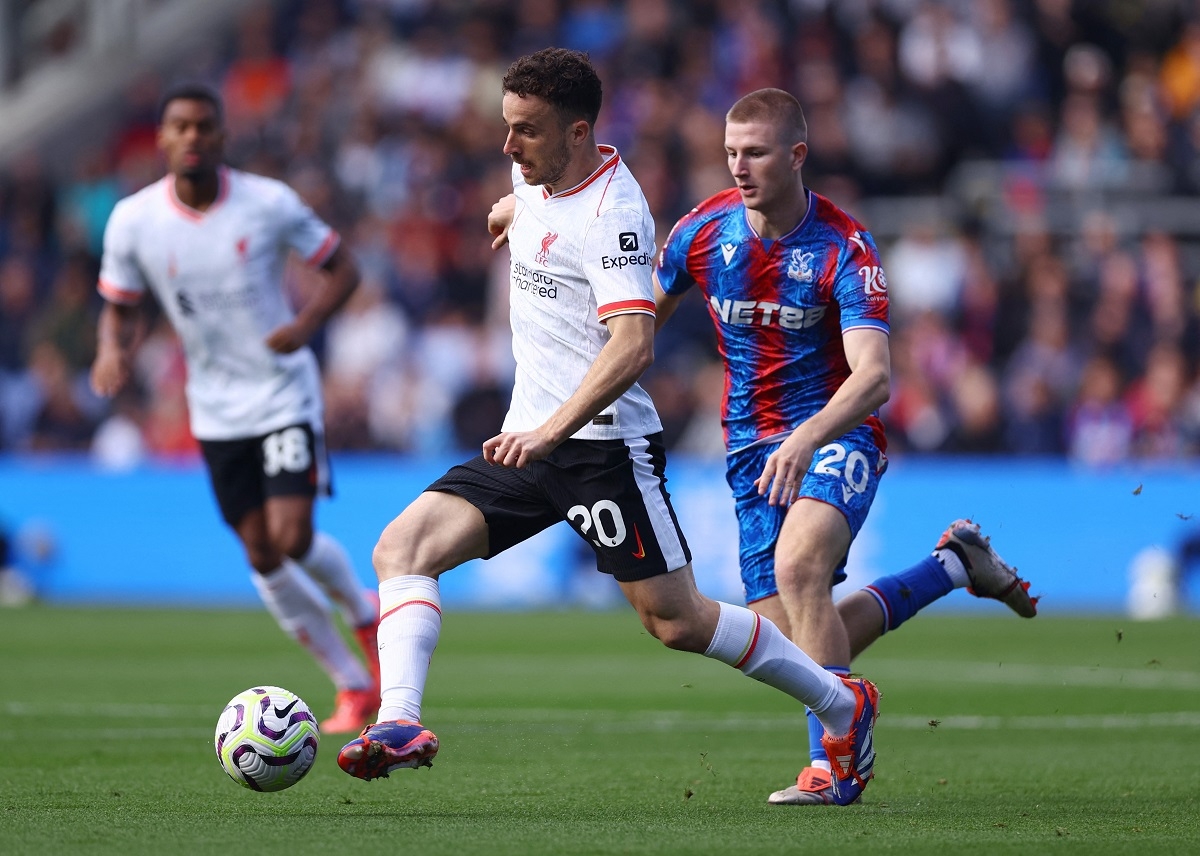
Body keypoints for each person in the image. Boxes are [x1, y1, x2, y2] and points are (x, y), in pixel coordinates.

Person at [336, 48, 879, 807]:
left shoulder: (615, 214)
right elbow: (531, 207)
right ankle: (400, 723)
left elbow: (634, 343)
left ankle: (841, 703)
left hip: (602, 450)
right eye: (506, 128)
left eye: (524, 132)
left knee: (678, 623)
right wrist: (511, 209)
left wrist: (552, 432)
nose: (507, 146)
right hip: (526, 440)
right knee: (402, 547)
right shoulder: (537, 178)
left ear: (577, 131)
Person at [652, 88, 1038, 805]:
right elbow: (637, 325)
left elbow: (875, 378)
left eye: (756, 153)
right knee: (789, 645)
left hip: (835, 430)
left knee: (800, 569)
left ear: (796, 155)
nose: (740, 166)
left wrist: (806, 438)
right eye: (731, 152)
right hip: (749, 450)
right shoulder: (700, 234)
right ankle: (951, 568)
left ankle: (835, 770)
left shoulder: (844, 248)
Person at [89, 83, 381, 734]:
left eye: (204, 126)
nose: (192, 137)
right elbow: (120, 303)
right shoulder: (134, 220)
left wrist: (305, 326)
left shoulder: (268, 204)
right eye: (180, 127)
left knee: (292, 536)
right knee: (259, 552)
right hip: (215, 406)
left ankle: (366, 615)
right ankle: (354, 686)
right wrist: (114, 350)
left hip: (281, 391)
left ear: (222, 137)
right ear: (162, 139)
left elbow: (345, 269)